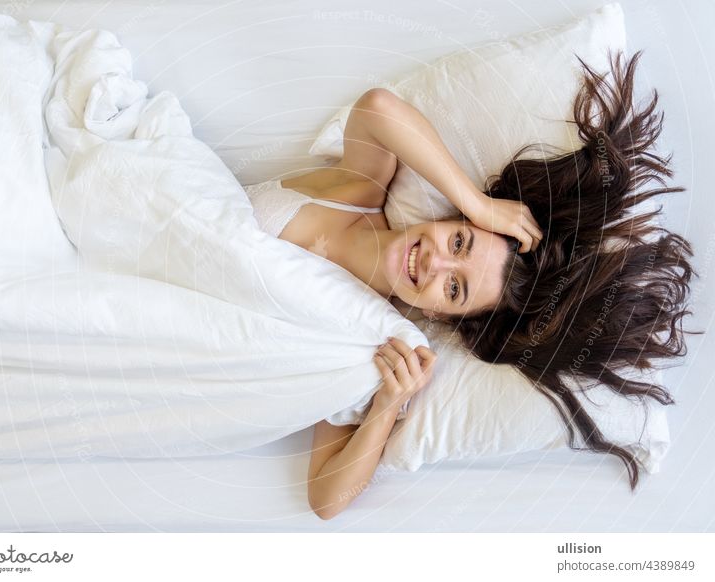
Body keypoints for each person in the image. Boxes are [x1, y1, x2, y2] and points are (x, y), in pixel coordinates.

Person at [244, 51, 695, 520]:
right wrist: (478, 204)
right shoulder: (361, 188)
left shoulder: (366, 335)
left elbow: (326, 498)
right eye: (459, 241)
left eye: (454, 289)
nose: (435, 262)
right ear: (456, 218)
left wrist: (388, 404)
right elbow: (378, 107)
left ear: (440, 315)